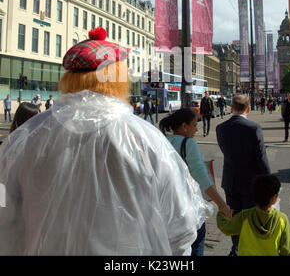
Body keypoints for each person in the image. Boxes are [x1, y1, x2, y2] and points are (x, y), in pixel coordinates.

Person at [0, 27, 208, 255]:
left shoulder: (28, 136)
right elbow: (182, 226)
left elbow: (5, 214)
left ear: (68, 79)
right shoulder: (145, 138)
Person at [159, 108, 230, 256]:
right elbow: (202, 178)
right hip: (187, 209)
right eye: (194, 125)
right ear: (184, 126)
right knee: (196, 244)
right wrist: (222, 205)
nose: (196, 129)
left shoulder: (162, 141)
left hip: (165, 208)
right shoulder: (188, 144)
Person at [216, 94, 271, 256]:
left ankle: (236, 248)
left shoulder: (221, 128)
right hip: (250, 183)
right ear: (248, 108)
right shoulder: (254, 128)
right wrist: (269, 182)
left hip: (230, 182)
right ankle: (244, 249)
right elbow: (261, 157)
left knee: (234, 217)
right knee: (250, 218)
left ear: (231, 107)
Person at [217, 174, 290, 256]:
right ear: (274, 198)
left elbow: (226, 228)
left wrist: (221, 215)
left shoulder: (245, 216)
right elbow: (288, 251)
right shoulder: (282, 219)